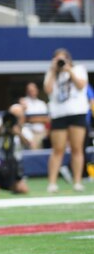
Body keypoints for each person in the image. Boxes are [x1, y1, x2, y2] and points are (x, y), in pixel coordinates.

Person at [44, 48, 89, 193]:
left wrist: (69, 70)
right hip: (59, 114)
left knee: (77, 148)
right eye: (58, 59)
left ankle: (77, 181)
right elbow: (48, 90)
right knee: (58, 149)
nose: (60, 62)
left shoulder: (78, 69)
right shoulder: (51, 73)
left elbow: (81, 85)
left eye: (63, 59)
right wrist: (53, 70)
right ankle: (52, 182)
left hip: (77, 112)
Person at [20, 82, 49, 149]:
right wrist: (40, 119)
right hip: (28, 132)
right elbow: (24, 119)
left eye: (33, 90)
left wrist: (31, 119)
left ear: (37, 90)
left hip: (41, 133)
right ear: (27, 91)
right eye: (30, 90)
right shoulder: (23, 102)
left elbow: (47, 119)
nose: (32, 92)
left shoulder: (42, 103)